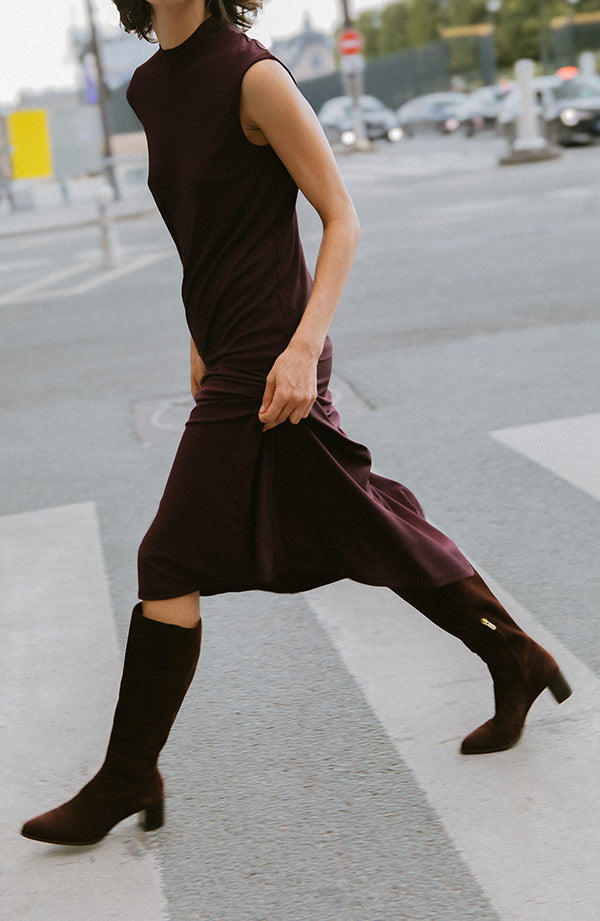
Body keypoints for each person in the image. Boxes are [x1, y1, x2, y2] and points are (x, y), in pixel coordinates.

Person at [21, 0, 571, 848]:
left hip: (275, 350)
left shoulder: (253, 74)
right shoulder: (149, 88)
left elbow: (341, 215)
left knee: (168, 554)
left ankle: (129, 774)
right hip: (230, 348)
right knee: (360, 516)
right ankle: (513, 656)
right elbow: (201, 236)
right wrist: (197, 337)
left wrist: (301, 349)